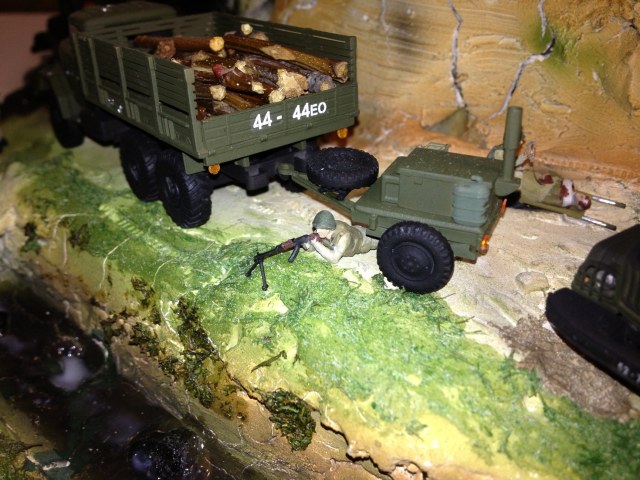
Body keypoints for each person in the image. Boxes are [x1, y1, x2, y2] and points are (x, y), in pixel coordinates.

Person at [305, 210, 378, 264]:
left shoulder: (344, 236)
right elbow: (314, 247)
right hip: (355, 230)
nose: (317, 231)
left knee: (381, 240)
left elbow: (334, 259)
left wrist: (316, 243)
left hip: (365, 240)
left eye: (321, 228)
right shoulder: (321, 232)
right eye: (316, 228)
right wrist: (307, 244)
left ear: (329, 228)